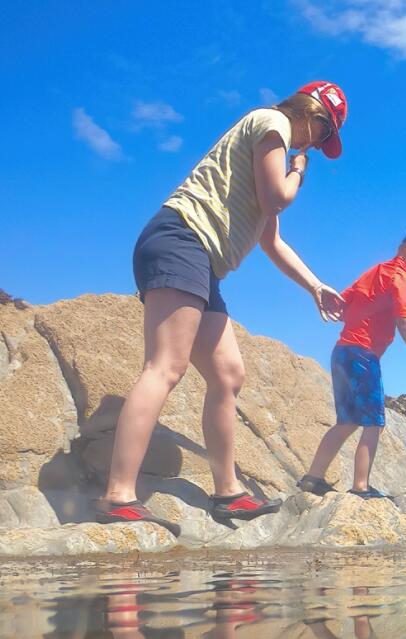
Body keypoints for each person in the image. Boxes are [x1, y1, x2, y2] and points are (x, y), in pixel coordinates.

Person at [97, 82, 350, 535]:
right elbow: (278, 198)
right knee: (165, 367)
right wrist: (299, 171)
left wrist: (314, 287)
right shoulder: (271, 122)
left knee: (229, 373)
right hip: (182, 238)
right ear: (311, 113)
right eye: (320, 131)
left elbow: (270, 239)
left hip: (202, 260)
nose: (313, 143)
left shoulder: (266, 151)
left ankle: (228, 492)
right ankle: (118, 496)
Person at [299, 225, 406, 499]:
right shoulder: (402, 278)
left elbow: (342, 303)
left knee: (346, 422)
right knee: (374, 422)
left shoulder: (377, 271)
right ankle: (361, 487)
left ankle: (313, 478)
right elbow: (405, 322)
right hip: (363, 354)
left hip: (342, 352)